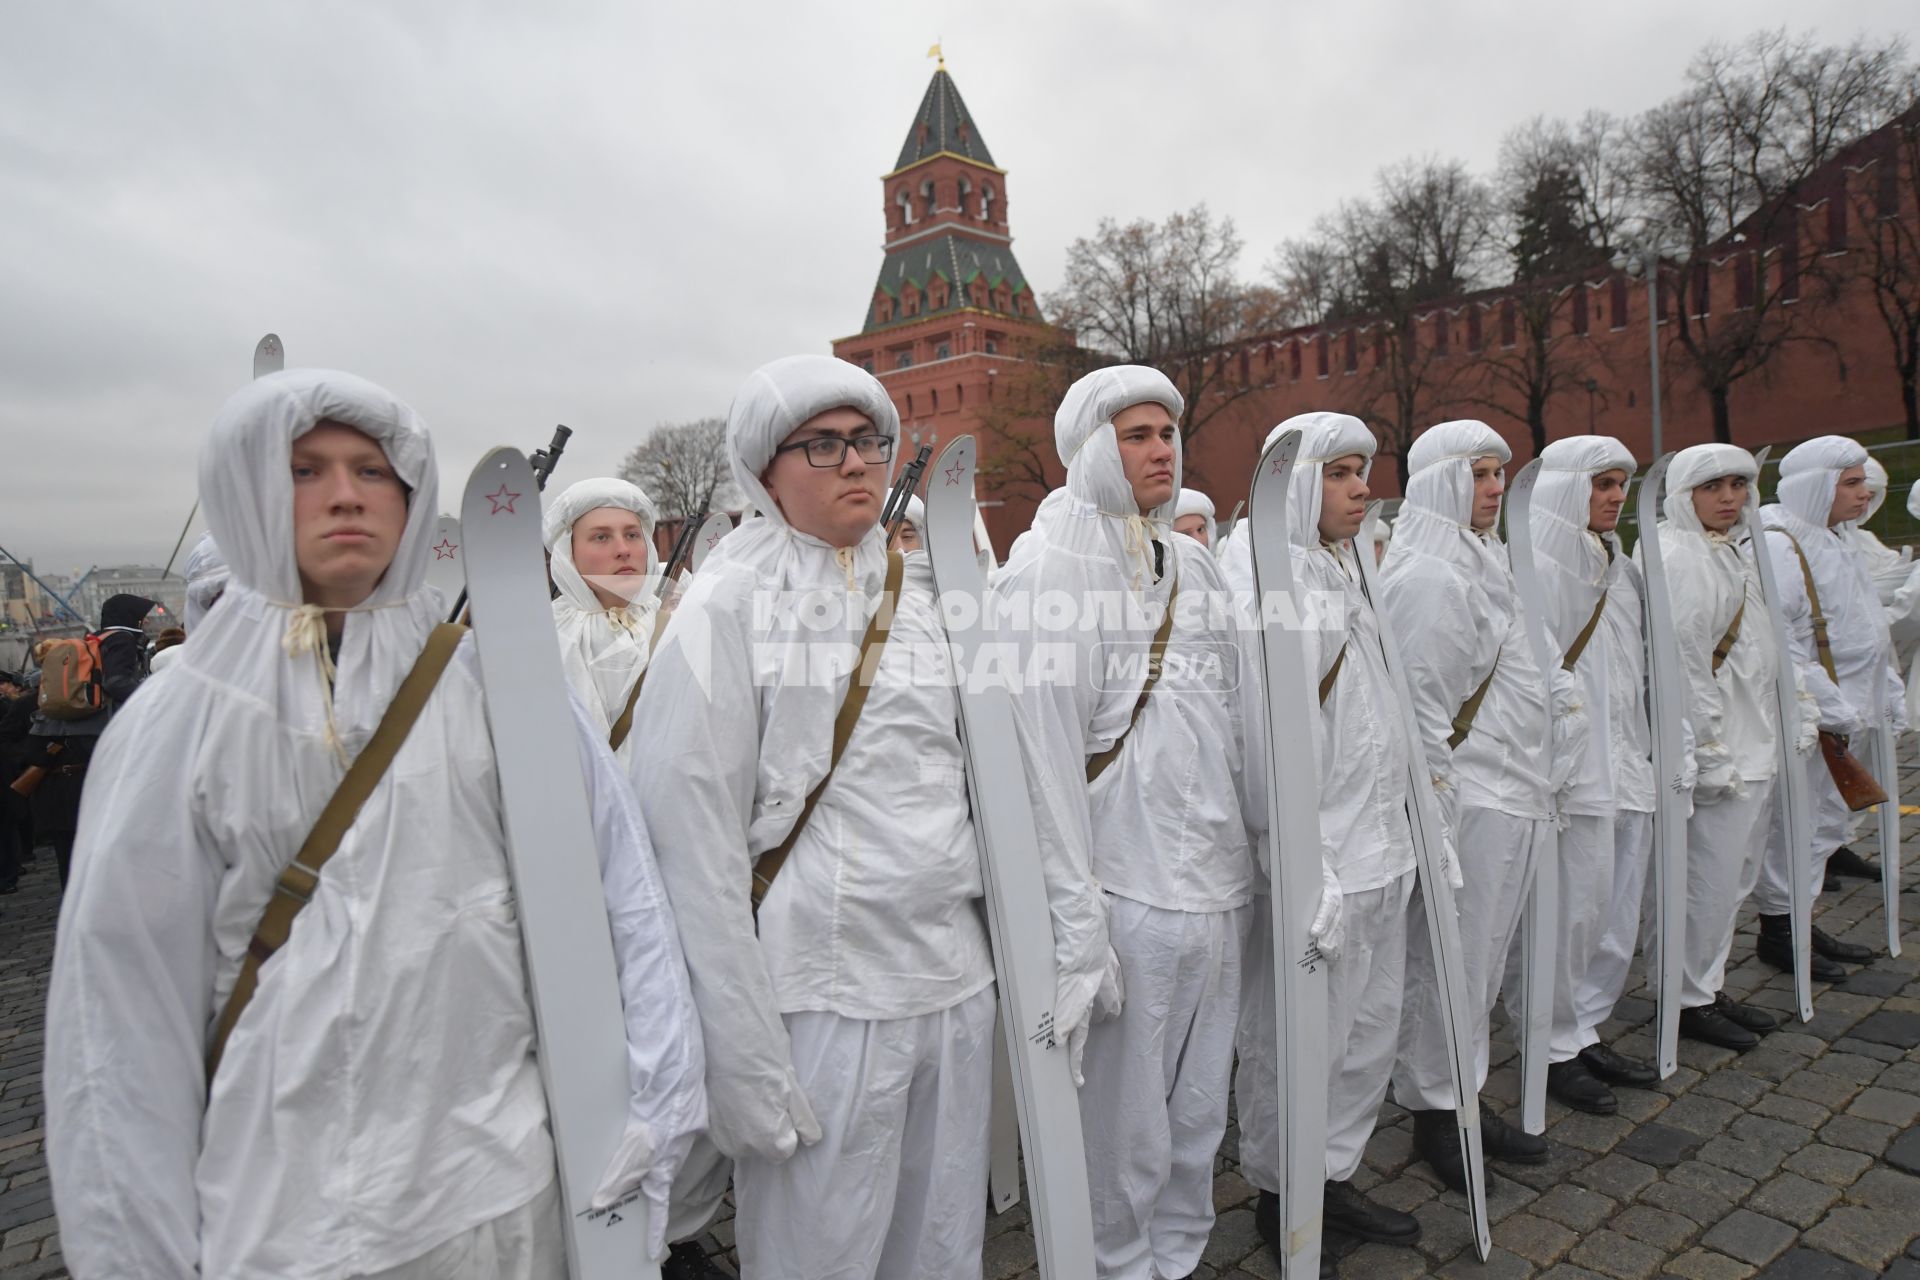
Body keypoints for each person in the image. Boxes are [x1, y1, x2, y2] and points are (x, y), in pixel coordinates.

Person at [45, 368, 705, 1279]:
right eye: (305, 470)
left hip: (508, 1195)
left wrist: (655, 1105)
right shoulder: (177, 726)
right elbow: (116, 1026)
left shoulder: (500, 688)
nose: (346, 494)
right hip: (287, 1220)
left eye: (372, 469)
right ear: (245, 491)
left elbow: (625, 903)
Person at [632, 355, 1008, 1280]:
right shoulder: (727, 605)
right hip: (823, 993)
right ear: (767, 472)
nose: (856, 464)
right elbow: (690, 846)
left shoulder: (924, 593)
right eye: (823, 445)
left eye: (868, 442)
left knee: (941, 1240)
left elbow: (985, 779)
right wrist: (743, 1054)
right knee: (823, 1250)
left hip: (952, 978)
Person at [995, 366, 1262, 1280]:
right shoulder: (1046, 570)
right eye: (1136, 434)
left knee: (1195, 1113)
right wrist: (1076, 931)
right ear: (1090, 447)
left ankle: (1176, 1257)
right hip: (1123, 891)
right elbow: (1038, 767)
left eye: (1166, 433)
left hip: (1214, 881)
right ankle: (1114, 1264)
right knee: (1123, 1124)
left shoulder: (1190, 561)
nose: (1160, 449)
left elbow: (1235, 718)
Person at [1223, 412, 1423, 1268]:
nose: (1362, 488)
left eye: (1363, 471)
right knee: (1294, 1042)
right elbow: (1265, 741)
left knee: (1365, 1031)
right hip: (1322, 863)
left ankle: (1333, 1172)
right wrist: (1308, 863)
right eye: (1341, 473)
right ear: (1300, 481)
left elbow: (1381, 714)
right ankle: (1283, 1195)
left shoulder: (1347, 570)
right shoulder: (1264, 580)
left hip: (1381, 845)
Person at [1378, 420, 1564, 1189]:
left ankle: (1463, 1088)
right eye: (1482, 475)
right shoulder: (1427, 575)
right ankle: (1435, 1110)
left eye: (1500, 475)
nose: (1495, 489)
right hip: (1472, 796)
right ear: (1444, 479)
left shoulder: (1480, 557)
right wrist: (1439, 818)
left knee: (1480, 961)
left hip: (1515, 785)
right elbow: (1421, 712)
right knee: (1449, 964)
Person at [1522, 436, 1663, 1116]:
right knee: (1569, 912)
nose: (1613, 497)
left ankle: (1583, 1025)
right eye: (1601, 484)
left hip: (1624, 759)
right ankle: (1549, 1044)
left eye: (1620, 486)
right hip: (1573, 771)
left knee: (1613, 905)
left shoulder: (1621, 564)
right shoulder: (1537, 566)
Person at [1645, 444, 1789, 1050]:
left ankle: (1705, 983)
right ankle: (1684, 995)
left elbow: (1763, 643)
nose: (1728, 498)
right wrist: (1708, 752)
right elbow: (1685, 668)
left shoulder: (1729, 553)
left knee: (1733, 878)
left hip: (1754, 740)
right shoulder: (1679, 558)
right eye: (1713, 487)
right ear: (1685, 495)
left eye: (1737, 484)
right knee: (1704, 881)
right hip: (1723, 748)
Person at [1753, 436, 1901, 975]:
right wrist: (1826, 702)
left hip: (1852, 709)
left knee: (1822, 828)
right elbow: (1784, 640)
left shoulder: (1836, 539)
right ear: (1818, 487)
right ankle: (1781, 929)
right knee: (1795, 824)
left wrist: (1887, 689)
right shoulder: (1779, 544)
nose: (1865, 494)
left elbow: (1862, 623)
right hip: (1814, 715)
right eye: (1852, 483)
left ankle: (1802, 916)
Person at [22, 593, 153, 887]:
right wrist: (153, 699)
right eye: (141, 615)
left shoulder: (98, 637)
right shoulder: (121, 638)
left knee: (69, 850)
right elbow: (116, 682)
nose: (145, 620)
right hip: (100, 732)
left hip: (71, 745)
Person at [544, 477, 664, 768]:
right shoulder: (548, 635)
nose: (623, 549)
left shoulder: (680, 617)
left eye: (632, 535)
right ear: (567, 553)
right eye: (601, 537)